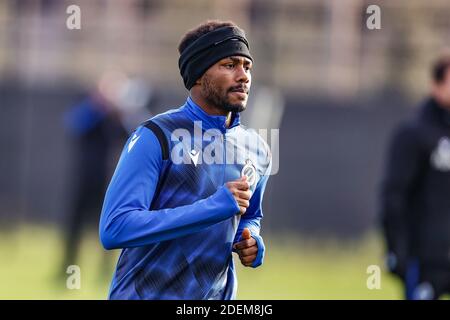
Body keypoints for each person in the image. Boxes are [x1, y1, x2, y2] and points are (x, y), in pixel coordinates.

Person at [99, 20, 272, 300]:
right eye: (229, 65)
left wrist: (249, 239)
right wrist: (213, 207)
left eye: (247, 66)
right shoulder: (156, 136)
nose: (243, 76)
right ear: (199, 75)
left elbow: (250, 215)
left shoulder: (257, 149)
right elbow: (115, 227)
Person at [380, 54, 450, 300]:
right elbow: (393, 194)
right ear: (436, 85)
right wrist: (395, 248)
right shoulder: (413, 133)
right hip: (424, 257)